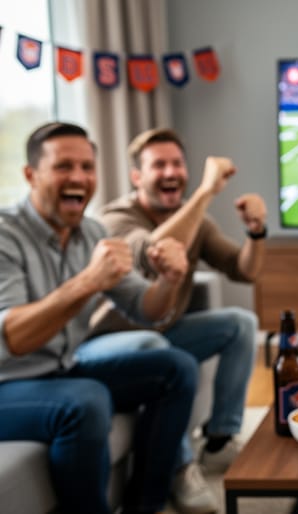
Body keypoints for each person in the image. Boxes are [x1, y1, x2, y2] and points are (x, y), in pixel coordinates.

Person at [0, 122, 197, 514]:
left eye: (87, 167)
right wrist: (88, 281)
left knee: (176, 368)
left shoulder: (92, 232)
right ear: (30, 174)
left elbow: (147, 309)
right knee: (87, 400)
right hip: (8, 383)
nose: (79, 178)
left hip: (60, 371)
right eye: (63, 167)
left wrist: (169, 279)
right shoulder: (5, 234)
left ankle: (146, 505)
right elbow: (16, 338)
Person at [82, 128, 266, 513]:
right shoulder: (113, 218)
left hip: (165, 332)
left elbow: (243, 270)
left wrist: (256, 232)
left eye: (177, 163)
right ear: (137, 177)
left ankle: (218, 440)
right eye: (158, 164)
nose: (171, 172)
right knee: (156, 347)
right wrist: (204, 192)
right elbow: (151, 258)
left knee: (241, 323)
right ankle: (180, 467)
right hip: (112, 343)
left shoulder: (193, 218)